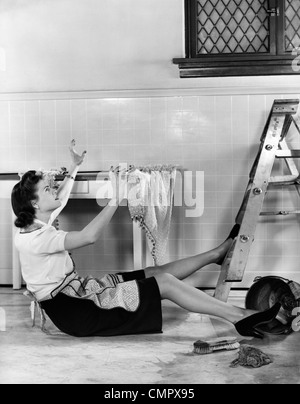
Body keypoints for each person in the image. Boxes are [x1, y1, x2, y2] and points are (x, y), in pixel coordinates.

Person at [11, 140, 281, 339]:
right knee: (161, 283)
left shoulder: (37, 222)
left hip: (78, 294)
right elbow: (89, 237)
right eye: (48, 189)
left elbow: (62, 197)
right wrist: (119, 195)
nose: (54, 188)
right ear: (35, 203)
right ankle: (240, 317)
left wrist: (74, 166)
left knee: (152, 272)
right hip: (76, 311)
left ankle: (216, 254)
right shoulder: (35, 238)